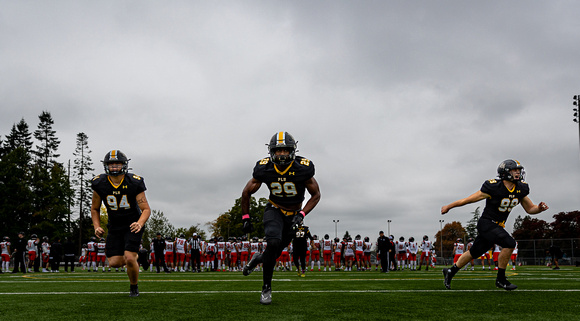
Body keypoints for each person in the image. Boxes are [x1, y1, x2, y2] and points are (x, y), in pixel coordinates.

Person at [441, 159, 548, 291]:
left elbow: (530, 208)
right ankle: (501, 279)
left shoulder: (520, 188)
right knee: (509, 243)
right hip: (486, 223)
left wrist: (539, 208)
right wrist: (449, 206)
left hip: (497, 226)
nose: (518, 173)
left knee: (474, 252)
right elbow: (467, 200)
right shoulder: (493, 187)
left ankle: (450, 272)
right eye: (514, 170)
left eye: (518, 170)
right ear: (505, 172)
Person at [241, 132, 321, 305]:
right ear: (272, 152)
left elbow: (316, 195)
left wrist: (301, 214)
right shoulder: (264, 168)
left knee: (273, 254)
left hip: (294, 215)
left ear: (292, 151)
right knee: (273, 243)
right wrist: (245, 217)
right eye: (278, 151)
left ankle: (257, 258)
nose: (282, 154)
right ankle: (266, 288)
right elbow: (246, 192)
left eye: (285, 150)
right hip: (274, 209)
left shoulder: (303, 167)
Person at [91, 150, 151, 297]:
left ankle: (134, 287)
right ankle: (141, 256)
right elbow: (95, 208)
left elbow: (146, 209)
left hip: (132, 224)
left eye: (117, 164)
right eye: (111, 164)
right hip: (115, 225)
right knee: (114, 263)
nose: (114, 167)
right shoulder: (100, 183)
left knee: (129, 258)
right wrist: (96, 226)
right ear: (106, 166)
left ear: (124, 165)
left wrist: (140, 223)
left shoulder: (134, 182)